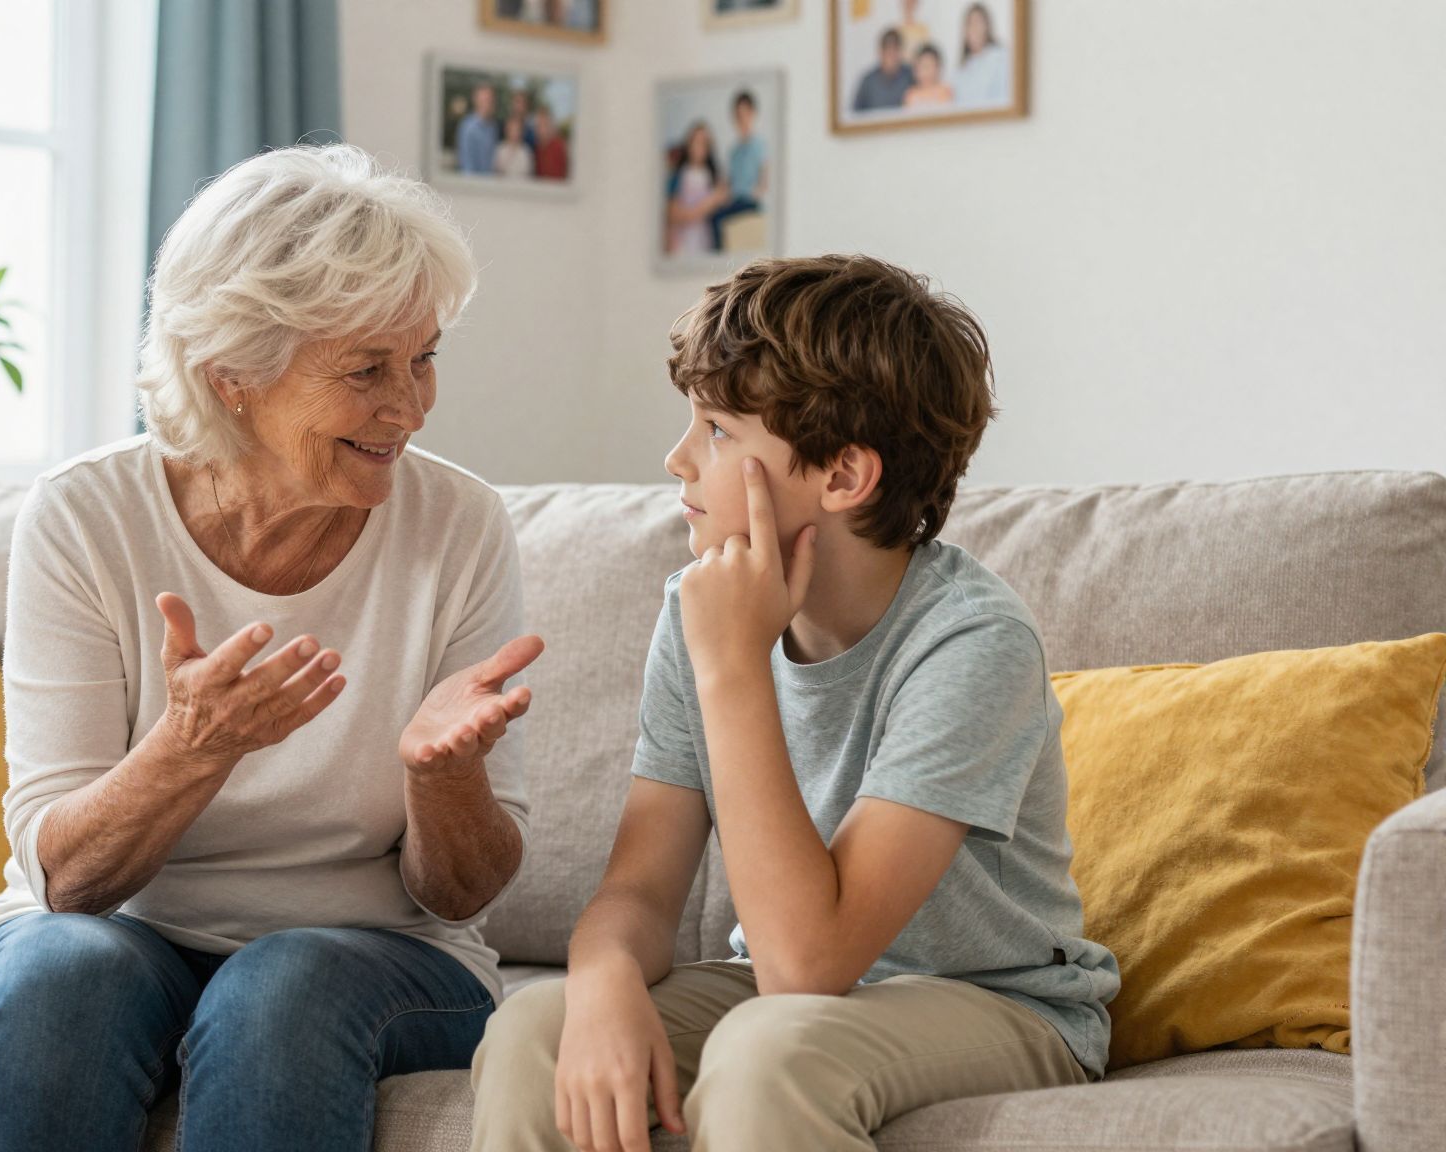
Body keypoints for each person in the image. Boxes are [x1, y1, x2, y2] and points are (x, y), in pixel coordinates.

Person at [0, 143, 544, 1152]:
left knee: (284, 989)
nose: (407, 406)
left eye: (423, 358)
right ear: (231, 377)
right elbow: (67, 883)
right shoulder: (83, 516)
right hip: (117, 931)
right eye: (366, 370)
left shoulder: (457, 524)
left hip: (375, 955)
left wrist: (441, 779)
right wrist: (193, 746)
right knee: (64, 978)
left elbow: (463, 894)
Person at [469, 254, 1120, 1151]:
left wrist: (734, 668)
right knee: (531, 1032)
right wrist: (606, 982)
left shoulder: (972, 644)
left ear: (844, 476)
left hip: (1000, 1005)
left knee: (769, 1050)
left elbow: (806, 962)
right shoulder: (693, 608)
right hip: (794, 997)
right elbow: (638, 889)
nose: (677, 458)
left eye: (719, 431)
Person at [708, 90, 767, 251]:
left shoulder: (760, 146)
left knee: (717, 218)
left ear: (753, 113)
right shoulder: (734, 151)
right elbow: (728, 182)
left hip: (749, 202)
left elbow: (764, 178)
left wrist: (757, 192)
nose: (742, 120)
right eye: (738, 115)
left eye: (745, 114)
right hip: (735, 200)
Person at [663, 122, 723, 258]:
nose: (698, 147)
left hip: (705, 238)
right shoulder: (678, 175)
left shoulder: (713, 176)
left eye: (703, 143)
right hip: (682, 240)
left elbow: (723, 198)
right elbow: (672, 213)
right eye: (695, 142)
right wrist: (709, 202)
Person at [953, 2, 1012, 108]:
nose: (974, 28)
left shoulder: (1001, 56)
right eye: (969, 23)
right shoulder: (961, 69)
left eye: (978, 22)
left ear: (987, 26)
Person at [852, 28, 914, 112]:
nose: (891, 55)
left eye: (895, 50)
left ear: (901, 52)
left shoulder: (911, 75)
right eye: (887, 50)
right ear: (880, 52)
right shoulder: (868, 81)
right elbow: (855, 115)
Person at [459, 84, 502, 175]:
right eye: (486, 100)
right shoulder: (468, 127)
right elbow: (467, 165)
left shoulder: (494, 126)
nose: (489, 103)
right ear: (477, 101)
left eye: (491, 100)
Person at [904, 43, 954, 108]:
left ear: (938, 67)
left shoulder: (945, 91)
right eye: (921, 66)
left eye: (928, 66)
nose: (925, 72)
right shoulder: (910, 95)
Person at [532, 106, 570, 180]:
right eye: (538, 125)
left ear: (550, 125)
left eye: (544, 124)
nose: (541, 129)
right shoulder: (537, 148)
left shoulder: (559, 146)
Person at [496, 111, 534, 178]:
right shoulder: (500, 150)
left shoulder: (526, 152)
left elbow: (530, 176)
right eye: (512, 129)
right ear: (507, 130)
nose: (515, 133)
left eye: (517, 129)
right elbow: (496, 174)